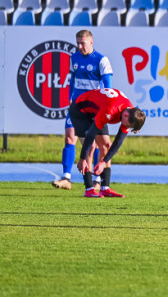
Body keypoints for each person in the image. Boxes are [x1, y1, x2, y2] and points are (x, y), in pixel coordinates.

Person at [53, 30, 113, 191]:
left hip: (94, 108)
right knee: (70, 138)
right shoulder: (74, 58)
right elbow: (72, 79)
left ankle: (97, 180)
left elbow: (108, 86)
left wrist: (106, 104)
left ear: (91, 42)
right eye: (78, 43)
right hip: (78, 106)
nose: (80, 46)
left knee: (96, 145)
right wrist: (70, 97)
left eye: (83, 43)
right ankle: (67, 177)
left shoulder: (101, 60)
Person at [69, 88, 146, 198]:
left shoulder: (130, 112)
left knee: (106, 146)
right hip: (80, 111)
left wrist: (104, 162)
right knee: (91, 148)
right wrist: (82, 159)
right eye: (129, 126)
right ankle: (89, 188)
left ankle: (105, 188)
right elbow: (91, 134)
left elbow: (119, 140)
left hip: (96, 111)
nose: (127, 128)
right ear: (125, 116)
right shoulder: (110, 110)